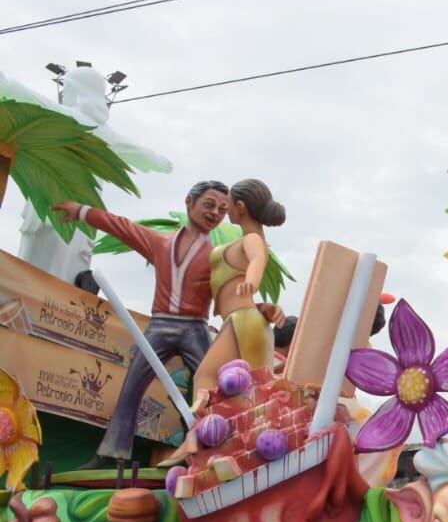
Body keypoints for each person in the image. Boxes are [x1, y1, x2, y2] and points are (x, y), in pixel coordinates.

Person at [51, 182, 283, 470]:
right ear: (189, 203)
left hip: (195, 329)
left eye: (223, 209)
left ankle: (216, 448)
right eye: (209, 205)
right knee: (133, 383)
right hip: (160, 326)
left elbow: (234, 285)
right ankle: (112, 453)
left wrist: (260, 308)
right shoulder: (160, 243)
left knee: (216, 386)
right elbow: (122, 226)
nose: (215, 213)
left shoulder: (217, 254)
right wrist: (84, 212)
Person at [189, 178, 287, 409]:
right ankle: (210, 433)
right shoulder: (243, 240)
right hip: (240, 321)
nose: (226, 210)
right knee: (242, 393)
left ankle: (198, 434)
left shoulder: (252, 239)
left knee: (206, 377)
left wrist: (251, 282)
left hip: (243, 320)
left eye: (229, 204)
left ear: (240, 207)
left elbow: (257, 259)